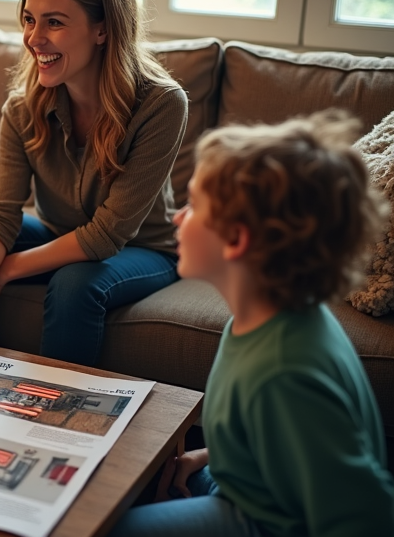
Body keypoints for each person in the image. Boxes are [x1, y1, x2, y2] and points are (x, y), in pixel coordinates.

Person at [109, 110, 394, 537]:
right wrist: (207, 456)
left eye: (194, 205)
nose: (177, 218)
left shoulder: (286, 370)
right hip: (234, 485)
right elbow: (272, 441)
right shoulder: (267, 317)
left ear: (237, 239)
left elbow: (366, 514)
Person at [0, 0, 187, 371]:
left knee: (74, 282)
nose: (34, 38)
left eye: (54, 23)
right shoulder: (23, 106)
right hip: (56, 231)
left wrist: (3, 272)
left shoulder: (161, 104)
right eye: (29, 19)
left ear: (103, 28)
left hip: (141, 249)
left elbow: (107, 235)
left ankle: (50, 413)